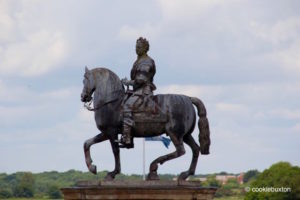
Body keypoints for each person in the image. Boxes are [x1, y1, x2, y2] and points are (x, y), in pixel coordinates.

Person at [120, 37, 156, 148]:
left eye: (139, 47)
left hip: (144, 90)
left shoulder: (147, 61)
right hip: (137, 90)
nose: (137, 49)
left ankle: (127, 138)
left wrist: (127, 82)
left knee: (127, 106)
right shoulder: (138, 60)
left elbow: (141, 80)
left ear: (145, 48)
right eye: (136, 47)